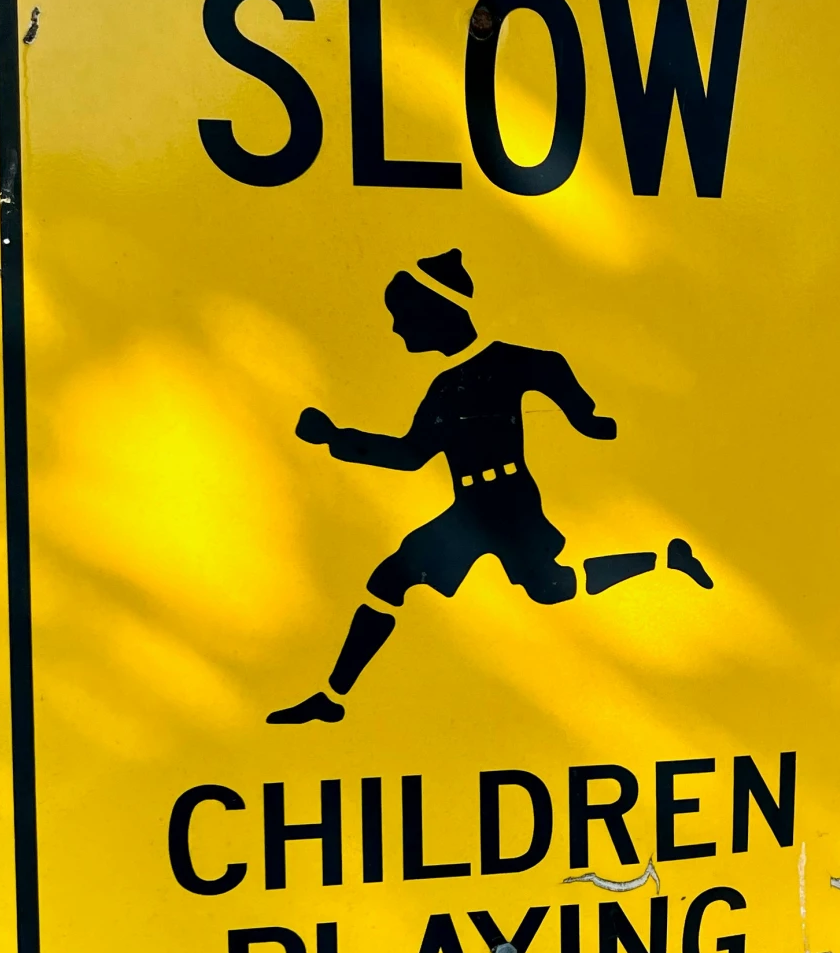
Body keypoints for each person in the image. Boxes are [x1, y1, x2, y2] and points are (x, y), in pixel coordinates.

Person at [267, 248, 711, 724]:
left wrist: (585, 415)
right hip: (471, 508)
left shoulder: (505, 362)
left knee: (552, 587)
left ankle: (665, 559)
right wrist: (336, 438)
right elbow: (411, 454)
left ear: (437, 313)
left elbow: (550, 364)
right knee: (390, 578)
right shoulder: (442, 389)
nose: (397, 329)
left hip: (511, 501)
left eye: (403, 317)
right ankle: (332, 701)